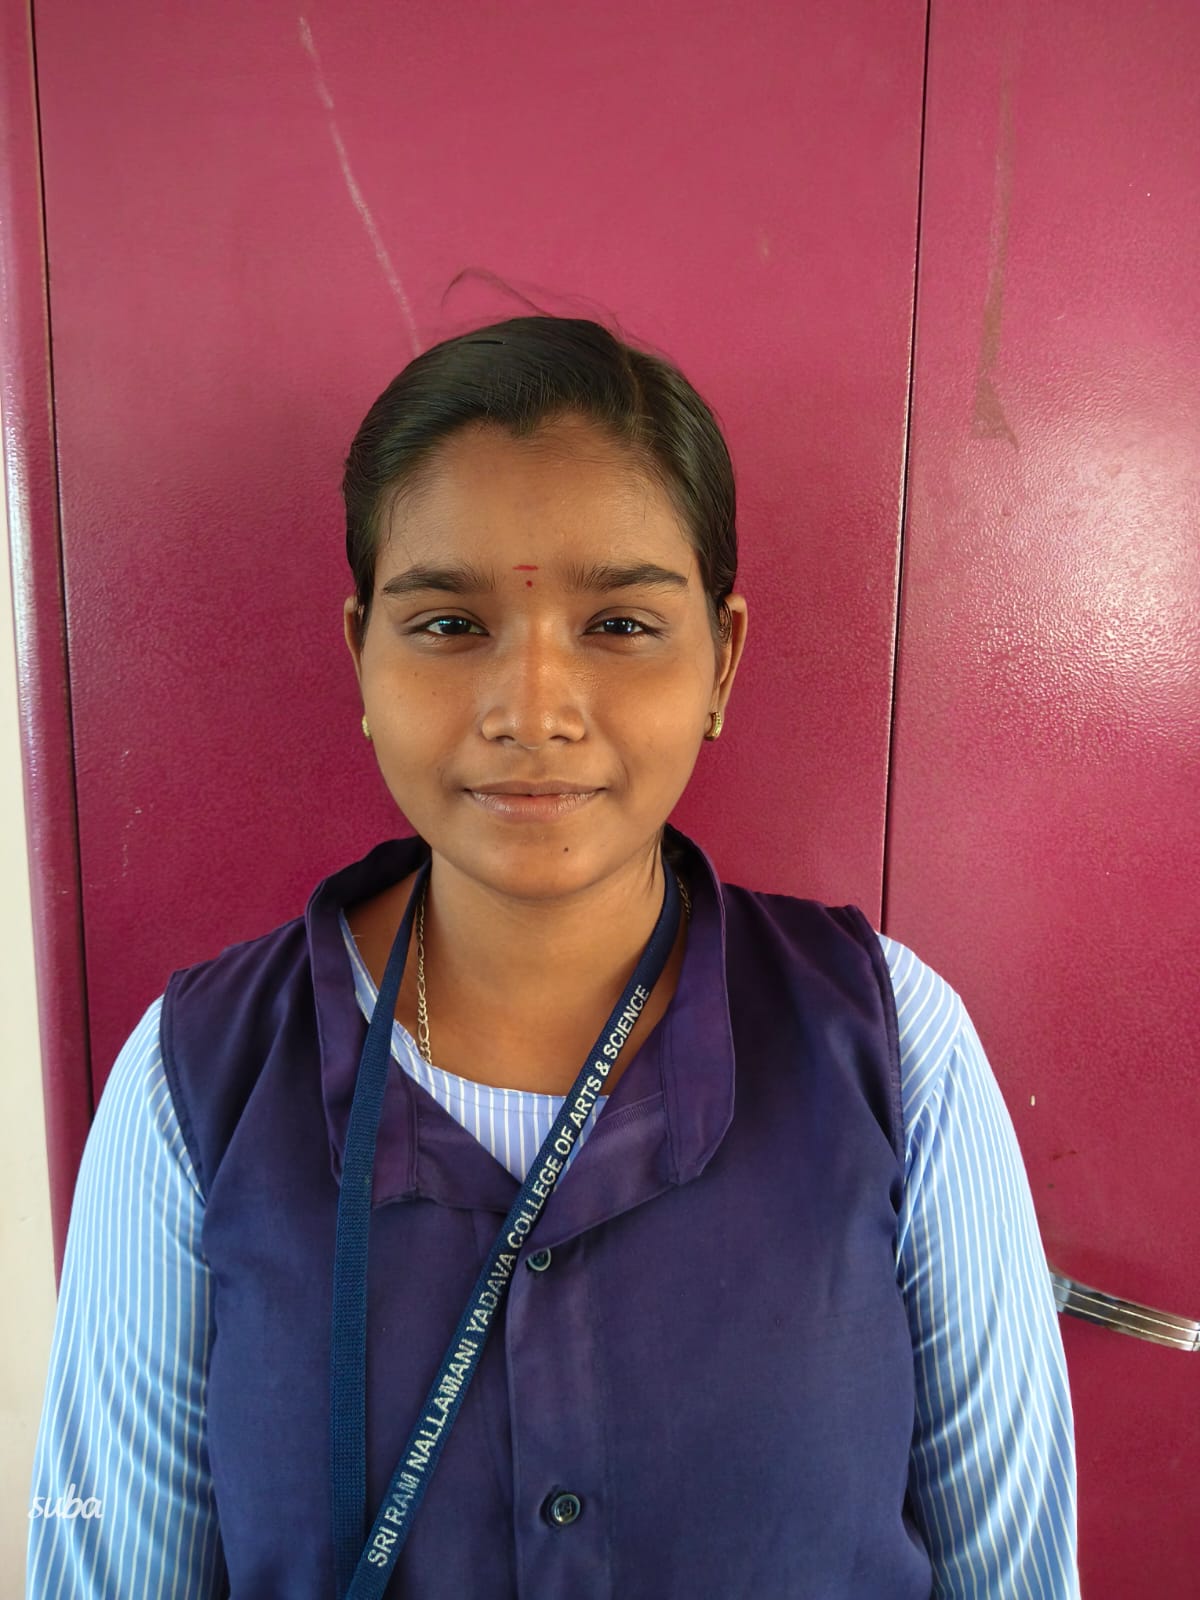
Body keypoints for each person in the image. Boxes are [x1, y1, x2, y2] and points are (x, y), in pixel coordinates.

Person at [27, 315, 1079, 1598]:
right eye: (448, 623)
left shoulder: (896, 1050)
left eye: (621, 623)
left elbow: (1016, 1572)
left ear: (722, 660)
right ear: (361, 653)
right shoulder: (195, 1083)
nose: (531, 710)